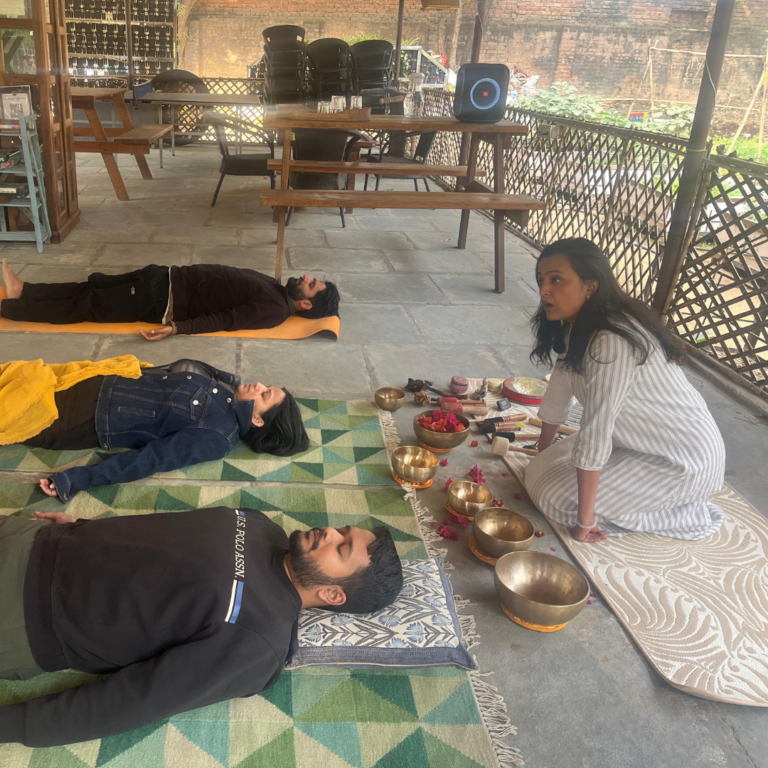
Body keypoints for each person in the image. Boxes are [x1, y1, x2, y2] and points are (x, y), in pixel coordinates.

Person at [0, 508, 403, 746]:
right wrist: (84, 526)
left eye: (341, 548)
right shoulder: (260, 524)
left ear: (334, 595)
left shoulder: (259, 642)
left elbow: (131, 701)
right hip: (32, 536)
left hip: (19, 613)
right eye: (343, 531)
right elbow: (161, 534)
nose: (330, 532)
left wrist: (12, 725)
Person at [524, 237, 725, 543]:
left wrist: (584, 519)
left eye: (556, 280)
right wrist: (542, 449)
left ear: (590, 286)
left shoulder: (611, 341)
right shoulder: (575, 325)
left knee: (550, 496)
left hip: (682, 461)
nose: (543, 291)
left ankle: (683, 511)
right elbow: (559, 391)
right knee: (538, 470)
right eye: (541, 280)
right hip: (634, 443)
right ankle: (629, 500)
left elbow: (597, 428)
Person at [3, 357, 308, 503]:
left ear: (257, 420)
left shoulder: (217, 435)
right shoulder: (225, 389)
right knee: (17, 375)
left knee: (13, 408)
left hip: (83, 416)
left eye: (265, 395)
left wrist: (77, 479)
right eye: (268, 386)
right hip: (101, 379)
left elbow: (151, 459)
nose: (259, 385)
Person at [0, 260, 340, 339]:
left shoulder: (275, 309)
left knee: (87, 306)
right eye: (312, 278)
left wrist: (177, 328)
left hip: (161, 299)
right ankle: (23, 290)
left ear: (306, 304)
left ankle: (12, 308)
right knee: (92, 286)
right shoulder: (277, 288)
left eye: (311, 285)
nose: (306, 277)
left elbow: (226, 320)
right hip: (162, 276)